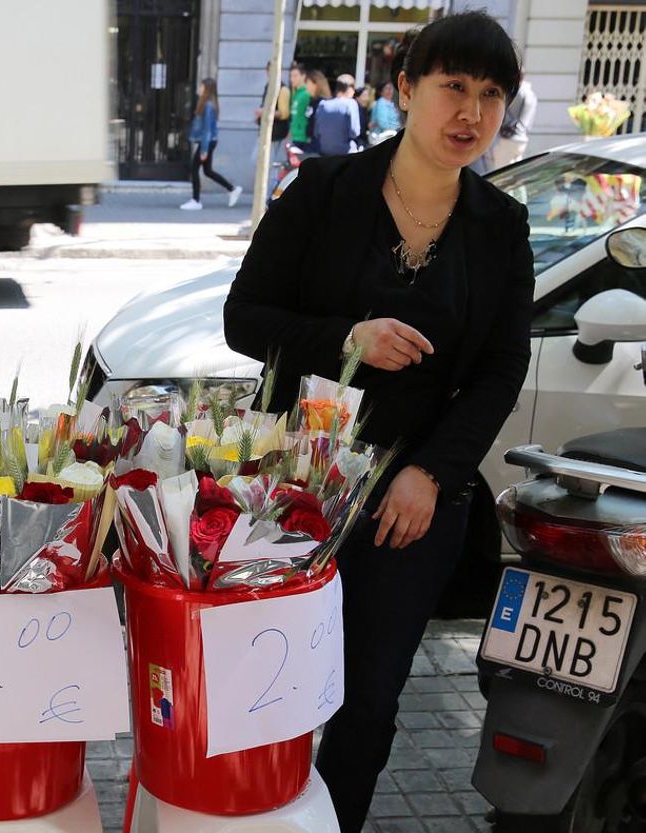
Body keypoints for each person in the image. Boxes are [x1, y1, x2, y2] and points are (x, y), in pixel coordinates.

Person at [223, 11, 530, 833]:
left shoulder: (501, 227)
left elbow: (502, 369)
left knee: (369, 704)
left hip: (413, 504)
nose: (472, 111)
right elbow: (243, 318)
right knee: (267, 684)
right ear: (405, 90)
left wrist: (434, 473)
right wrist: (343, 340)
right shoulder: (325, 192)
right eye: (453, 86)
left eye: (492, 93)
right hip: (296, 488)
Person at [182, 77, 242, 211]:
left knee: (194, 168)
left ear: (206, 89)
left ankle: (196, 200)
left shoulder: (208, 106)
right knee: (207, 171)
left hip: (208, 142)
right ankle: (232, 189)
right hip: (209, 141)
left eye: (201, 86)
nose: (199, 88)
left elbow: (207, 130)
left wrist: (204, 150)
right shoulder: (207, 104)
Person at [484, 74, 537, 171]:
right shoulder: (531, 93)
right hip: (522, 137)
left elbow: (505, 111)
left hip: (509, 136)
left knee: (501, 172)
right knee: (515, 173)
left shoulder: (518, 92)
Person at [255, 60, 291, 178]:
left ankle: (270, 191)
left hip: (275, 132)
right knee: (261, 162)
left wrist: (264, 112)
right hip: (266, 131)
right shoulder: (268, 86)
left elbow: (284, 113)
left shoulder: (283, 89)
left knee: (267, 164)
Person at [313, 74, 361, 156]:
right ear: (350, 89)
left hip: (323, 151)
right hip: (344, 153)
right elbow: (354, 132)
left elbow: (316, 133)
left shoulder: (322, 104)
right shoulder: (351, 103)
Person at [288, 63, 312, 149]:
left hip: (303, 139)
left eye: (295, 76)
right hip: (295, 137)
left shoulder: (306, 94)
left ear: (303, 76)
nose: (292, 79)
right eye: (291, 76)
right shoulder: (296, 94)